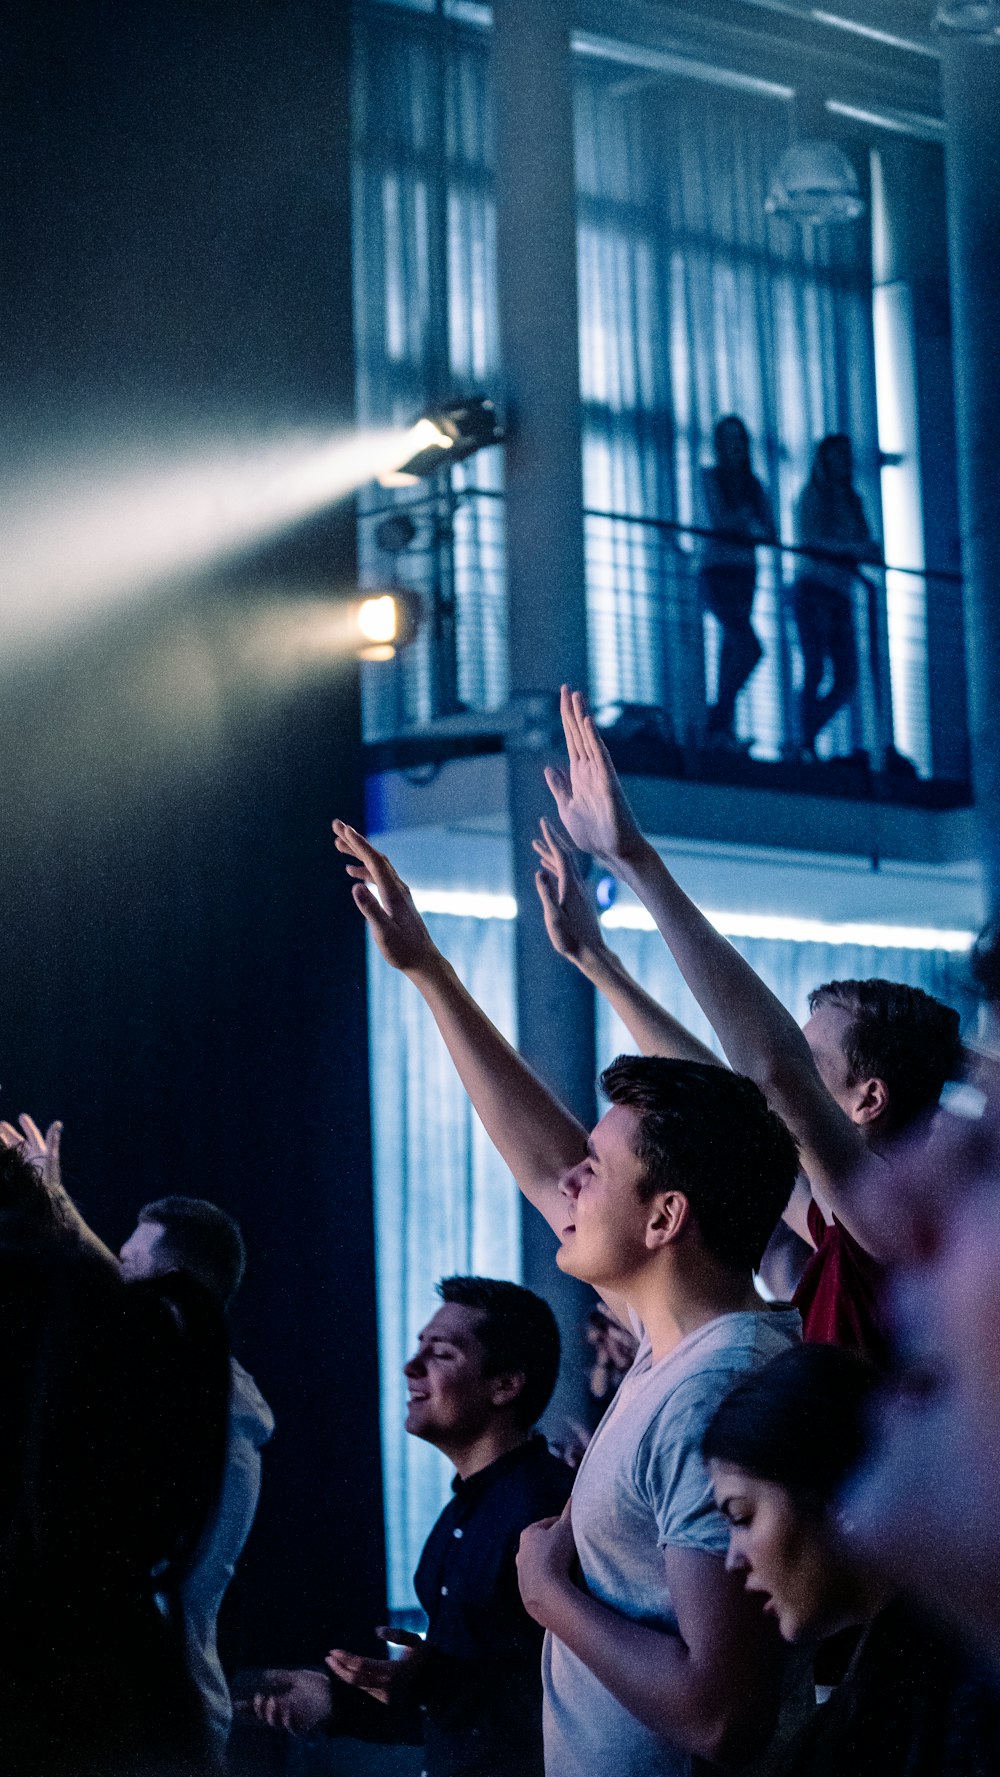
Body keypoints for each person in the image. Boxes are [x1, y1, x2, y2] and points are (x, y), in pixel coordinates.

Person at [332, 817, 808, 1777]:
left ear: (667, 1216)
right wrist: (429, 971)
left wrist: (549, 1595)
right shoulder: (682, 1345)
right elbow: (543, 1158)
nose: (570, 1185)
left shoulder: (719, 1389)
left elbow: (720, 1714)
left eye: (598, 1170)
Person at [535, 687, 962, 1363]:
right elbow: (725, 1085)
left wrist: (637, 859)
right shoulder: (839, 1220)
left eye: (809, 1055)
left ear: (866, 1099)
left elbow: (771, 1072)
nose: (783, 1060)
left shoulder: (900, 1221)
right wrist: (600, 963)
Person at [250, 1276, 572, 1776]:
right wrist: (336, 1701)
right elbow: (456, 1709)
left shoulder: (549, 1508)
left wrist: (430, 1682)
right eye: (419, 1347)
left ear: (505, 1384)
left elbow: (569, 1708)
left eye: (441, 1353)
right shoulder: (461, 1513)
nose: (409, 1367)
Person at [0, 1138, 229, 1777]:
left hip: (105, 1695)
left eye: (128, 1264)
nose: (112, 1274)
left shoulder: (188, 1385)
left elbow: (115, 1324)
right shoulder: (178, 1376)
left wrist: (57, 1212)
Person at [703, 1341, 1000, 1775]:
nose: (733, 1559)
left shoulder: (961, 1697)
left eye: (743, 1516)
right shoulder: (902, 1672)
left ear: (838, 1494)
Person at [120, 1196, 274, 1765]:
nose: (115, 1280)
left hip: (158, 1716)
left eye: (128, 1263)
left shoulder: (211, 1412)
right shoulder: (204, 1399)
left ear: (172, 1285)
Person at [793, 435, 881, 756]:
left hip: (840, 592)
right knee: (815, 666)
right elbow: (811, 541)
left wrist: (859, 550)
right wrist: (852, 548)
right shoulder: (812, 496)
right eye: (835, 456)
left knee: (847, 676)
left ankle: (805, 735)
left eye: (845, 456)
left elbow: (866, 543)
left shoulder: (853, 500)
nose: (841, 462)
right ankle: (804, 739)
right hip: (813, 588)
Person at [700, 415, 777, 748]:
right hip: (716, 568)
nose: (735, 445)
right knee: (748, 645)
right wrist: (744, 522)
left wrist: (743, 523)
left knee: (731, 647)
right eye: (728, 439)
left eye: (739, 438)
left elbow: (770, 529)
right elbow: (720, 519)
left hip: (745, 569)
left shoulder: (754, 484)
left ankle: (721, 729)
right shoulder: (710, 476)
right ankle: (717, 721)